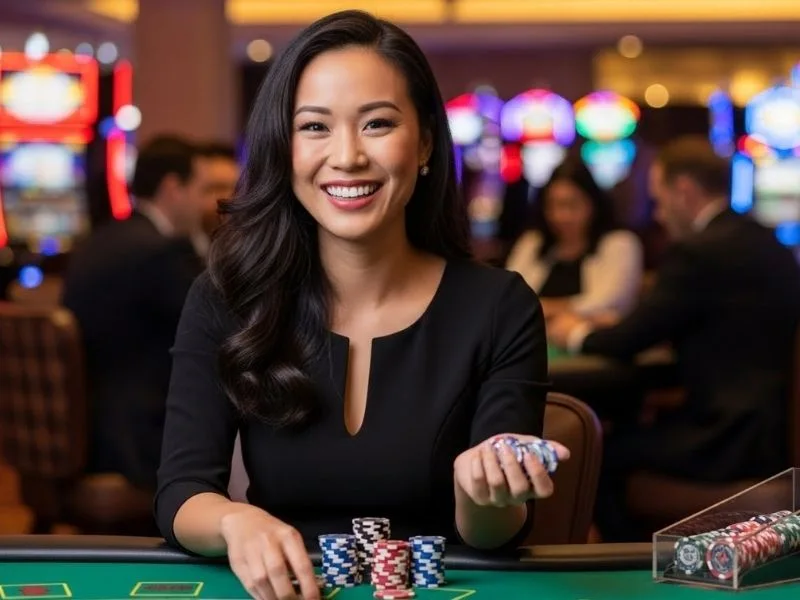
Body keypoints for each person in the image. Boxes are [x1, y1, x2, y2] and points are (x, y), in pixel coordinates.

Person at [154, 10, 568, 600]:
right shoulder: (228, 297)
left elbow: (495, 532)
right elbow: (181, 492)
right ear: (284, 148)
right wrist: (232, 520)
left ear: (425, 142)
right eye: (314, 127)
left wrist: (482, 492)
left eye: (377, 123)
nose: (347, 156)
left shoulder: (500, 306)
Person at [548, 135, 800, 540]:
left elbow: (628, 339)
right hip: (768, 429)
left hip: (727, 435)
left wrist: (573, 331)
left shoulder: (699, 251)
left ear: (684, 191)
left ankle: (631, 562)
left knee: (597, 455)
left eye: (660, 200)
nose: (659, 214)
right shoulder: (764, 240)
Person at [61, 134, 206, 490]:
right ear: (173, 188)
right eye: (200, 190)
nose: (205, 203)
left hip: (86, 430)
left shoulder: (101, 239)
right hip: (137, 440)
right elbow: (217, 332)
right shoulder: (159, 252)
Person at [506, 160, 643, 324]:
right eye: (552, 205)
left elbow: (610, 301)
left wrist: (543, 308)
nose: (561, 216)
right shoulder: (533, 242)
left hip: (591, 338)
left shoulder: (620, 243)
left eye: (571, 205)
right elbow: (509, 297)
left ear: (593, 203)